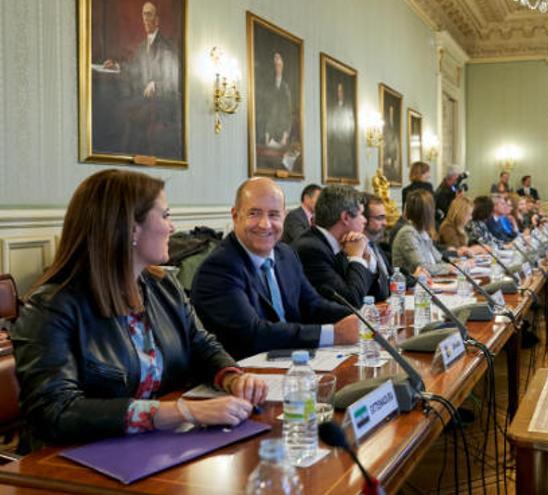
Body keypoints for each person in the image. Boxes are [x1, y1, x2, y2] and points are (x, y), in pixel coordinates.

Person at [11, 170, 268, 451]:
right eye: (166, 216)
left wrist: (233, 378)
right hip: (69, 462)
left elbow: (201, 345)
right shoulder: (51, 306)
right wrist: (180, 412)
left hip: (150, 448)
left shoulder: (163, 285)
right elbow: (54, 412)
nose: (172, 228)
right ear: (131, 228)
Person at [191, 178, 358, 360]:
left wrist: (361, 318)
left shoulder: (285, 254)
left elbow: (313, 305)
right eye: (254, 213)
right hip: (247, 374)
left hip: (294, 363)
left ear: (284, 217)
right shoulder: (219, 268)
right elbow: (254, 335)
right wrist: (334, 334)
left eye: (273, 215)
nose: (265, 224)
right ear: (235, 215)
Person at [101, 1, 181, 158]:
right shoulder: (141, 46)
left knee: (127, 114)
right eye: (143, 14)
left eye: (149, 14)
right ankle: (122, 155)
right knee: (119, 110)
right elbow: (134, 69)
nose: (145, 19)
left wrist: (156, 84)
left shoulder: (167, 47)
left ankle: (129, 154)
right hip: (145, 100)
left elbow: (174, 80)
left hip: (162, 103)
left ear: (157, 20)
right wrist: (116, 66)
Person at [294, 185, 388, 307]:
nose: (364, 220)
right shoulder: (311, 250)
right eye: (361, 214)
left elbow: (382, 294)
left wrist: (368, 260)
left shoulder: (345, 243)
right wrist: (357, 258)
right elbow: (352, 302)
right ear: (345, 218)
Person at [392, 190, 452, 276]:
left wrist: (457, 265)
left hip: (429, 282)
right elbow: (422, 267)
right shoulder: (407, 233)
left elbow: (439, 259)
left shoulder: (423, 232)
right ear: (428, 212)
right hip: (410, 287)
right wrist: (449, 268)